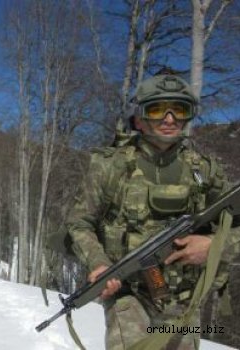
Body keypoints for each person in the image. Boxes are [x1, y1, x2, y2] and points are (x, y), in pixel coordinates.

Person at [67, 73, 237, 350]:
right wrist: (98, 263)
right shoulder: (109, 167)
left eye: (179, 110)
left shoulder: (205, 171)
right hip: (127, 291)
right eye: (157, 110)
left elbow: (235, 226)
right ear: (139, 119)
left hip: (184, 300)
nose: (169, 119)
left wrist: (213, 245)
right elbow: (79, 223)